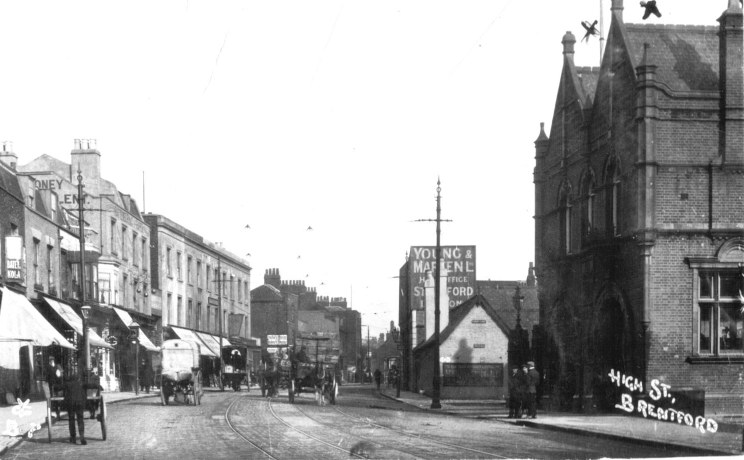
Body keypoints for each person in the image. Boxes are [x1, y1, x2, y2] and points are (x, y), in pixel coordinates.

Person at [63, 371, 87, 445]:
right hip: (79, 403)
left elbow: (60, 388)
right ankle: (82, 437)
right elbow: (84, 395)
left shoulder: (67, 384)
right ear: (77, 379)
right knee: (80, 420)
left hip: (71, 404)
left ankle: (73, 437)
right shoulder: (80, 384)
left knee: (71, 420)